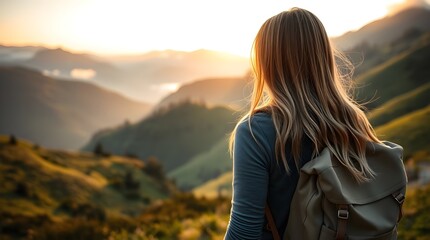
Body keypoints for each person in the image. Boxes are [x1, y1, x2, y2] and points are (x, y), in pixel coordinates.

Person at [224, 7, 384, 239]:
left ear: (267, 63)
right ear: (322, 56)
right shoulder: (353, 121)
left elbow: (243, 232)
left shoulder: (256, 132)